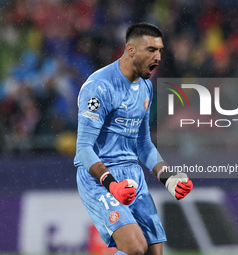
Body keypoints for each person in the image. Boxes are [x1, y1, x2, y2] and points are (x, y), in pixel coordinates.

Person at [74, 22, 193, 255]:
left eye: (160, 50)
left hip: (132, 175)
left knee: (154, 252)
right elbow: (83, 148)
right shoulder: (100, 86)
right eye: (151, 50)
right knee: (135, 248)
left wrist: (169, 179)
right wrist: (112, 185)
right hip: (100, 177)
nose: (158, 57)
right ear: (131, 50)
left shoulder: (146, 88)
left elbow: (143, 144)